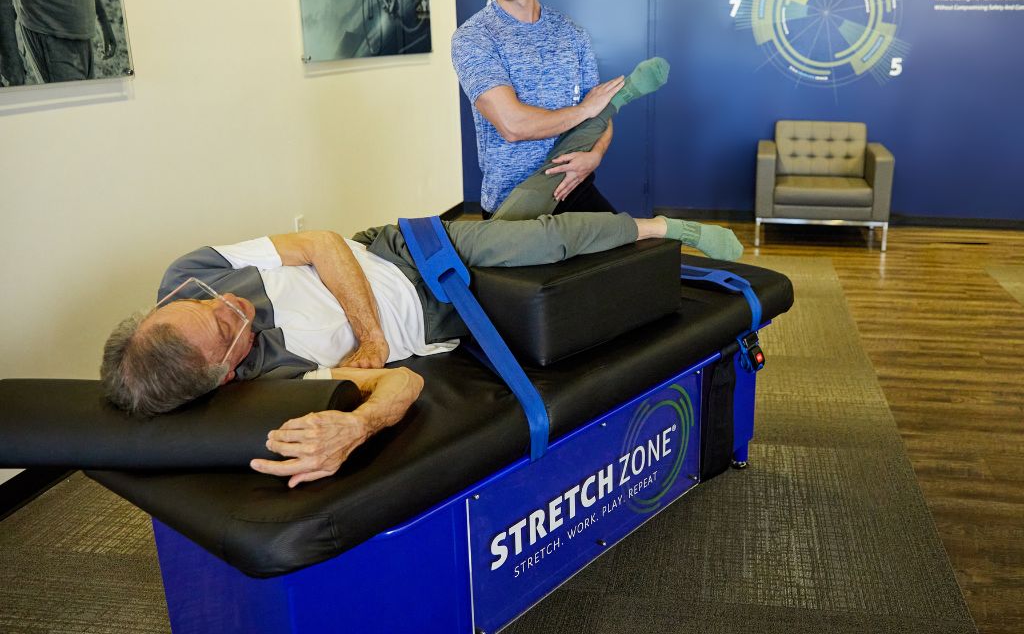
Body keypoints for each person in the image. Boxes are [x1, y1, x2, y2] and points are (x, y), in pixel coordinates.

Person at [101, 210, 742, 487]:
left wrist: (372, 335)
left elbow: (322, 243)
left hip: (404, 252)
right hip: (442, 316)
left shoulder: (190, 274)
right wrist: (356, 424)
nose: (229, 304)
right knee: (524, 217)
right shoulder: (271, 384)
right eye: (225, 325)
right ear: (223, 373)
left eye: (206, 304)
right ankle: (588, 135)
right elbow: (401, 386)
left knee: (542, 239)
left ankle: (665, 227)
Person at [452, 0, 624, 219]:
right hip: (513, 204)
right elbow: (513, 125)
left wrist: (595, 156)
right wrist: (585, 110)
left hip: (574, 187)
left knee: (634, 260)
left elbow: (602, 114)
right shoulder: (473, 38)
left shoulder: (573, 34)